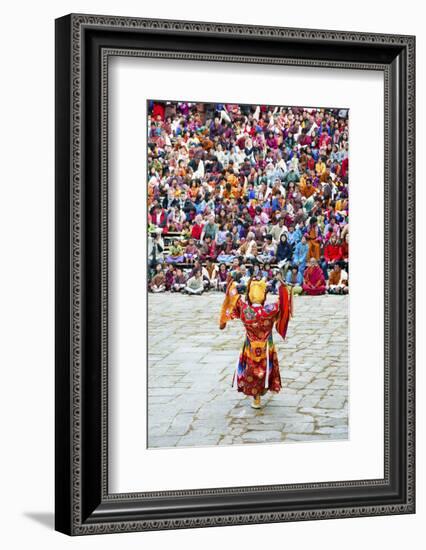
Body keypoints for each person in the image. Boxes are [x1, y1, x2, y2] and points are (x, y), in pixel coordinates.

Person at [219, 274, 292, 409]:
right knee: (265, 369)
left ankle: (256, 398)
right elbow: (283, 303)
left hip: (250, 347)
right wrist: (282, 286)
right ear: (263, 295)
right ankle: (263, 389)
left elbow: (233, 296)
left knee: (252, 371)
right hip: (266, 347)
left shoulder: (246, 310)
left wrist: (232, 282)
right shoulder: (268, 310)